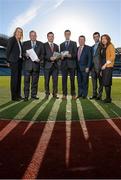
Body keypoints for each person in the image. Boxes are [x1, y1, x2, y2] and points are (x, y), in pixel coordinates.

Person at [23, 31, 44, 101]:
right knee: (26, 82)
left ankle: (33, 95)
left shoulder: (40, 44)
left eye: (34, 35)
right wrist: (25, 55)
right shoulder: (25, 43)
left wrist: (40, 59)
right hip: (27, 66)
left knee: (35, 82)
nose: (33, 37)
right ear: (29, 36)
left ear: (36, 36)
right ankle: (26, 96)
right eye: (31, 35)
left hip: (36, 65)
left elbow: (42, 54)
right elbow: (22, 53)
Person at [7, 27, 23, 101]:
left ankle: (18, 95)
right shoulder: (12, 39)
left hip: (19, 61)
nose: (19, 33)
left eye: (21, 32)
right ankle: (14, 96)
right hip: (13, 61)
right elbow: (8, 50)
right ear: (15, 32)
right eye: (18, 31)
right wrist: (8, 61)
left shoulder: (19, 41)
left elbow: (20, 52)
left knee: (19, 79)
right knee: (14, 79)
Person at [60, 30, 77, 100]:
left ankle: (73, 94)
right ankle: (64, 94)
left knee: (72, 80)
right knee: (64, 80)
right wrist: (61, 56)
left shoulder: (74, 43)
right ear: (64, 35)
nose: (67, 35)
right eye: (66, 34)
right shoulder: (61, 44)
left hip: (72, 64)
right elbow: (60, 54)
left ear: (70, 34)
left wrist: (71, 55)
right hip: (64, 64)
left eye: (68, 34)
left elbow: (75, 54)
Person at [44, 32, 59, 99]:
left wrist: (57, 57)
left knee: (55, 81)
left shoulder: (56, 46)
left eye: (52, 36)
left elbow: (58, 55)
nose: (51, 37)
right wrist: (49, 58)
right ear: (47, 37)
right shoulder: (44, 45)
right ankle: (47, 93)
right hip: (47, 65)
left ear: (53, 37)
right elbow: (43, 55)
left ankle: (54, 94)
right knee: (47, 81)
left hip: (55, 66)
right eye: (49, 36)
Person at [100, 34, 115, 103]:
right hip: (103, 68)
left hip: (108, 67)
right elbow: (102, 58)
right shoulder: (103, 47)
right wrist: (101, 69)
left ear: (108, 39)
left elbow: (112, 57)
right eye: (102, 39)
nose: (103, 40)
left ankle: (108, 98)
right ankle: (108, 98)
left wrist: (105, 65)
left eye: (105, 38)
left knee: (107, 83)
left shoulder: (110, 46)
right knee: (105, 83)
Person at [90, 32, 103, 100]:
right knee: (94, 82)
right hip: (92, 67)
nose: (96, 38)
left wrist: (102, 67)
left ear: (99, 37)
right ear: (93, 38)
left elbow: (103, 57)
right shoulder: (92, 47)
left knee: (100, 82)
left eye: (97, 36)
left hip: (99, 67)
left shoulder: (102, 45)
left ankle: (99, 95)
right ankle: (94, 94)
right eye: (94, 37)